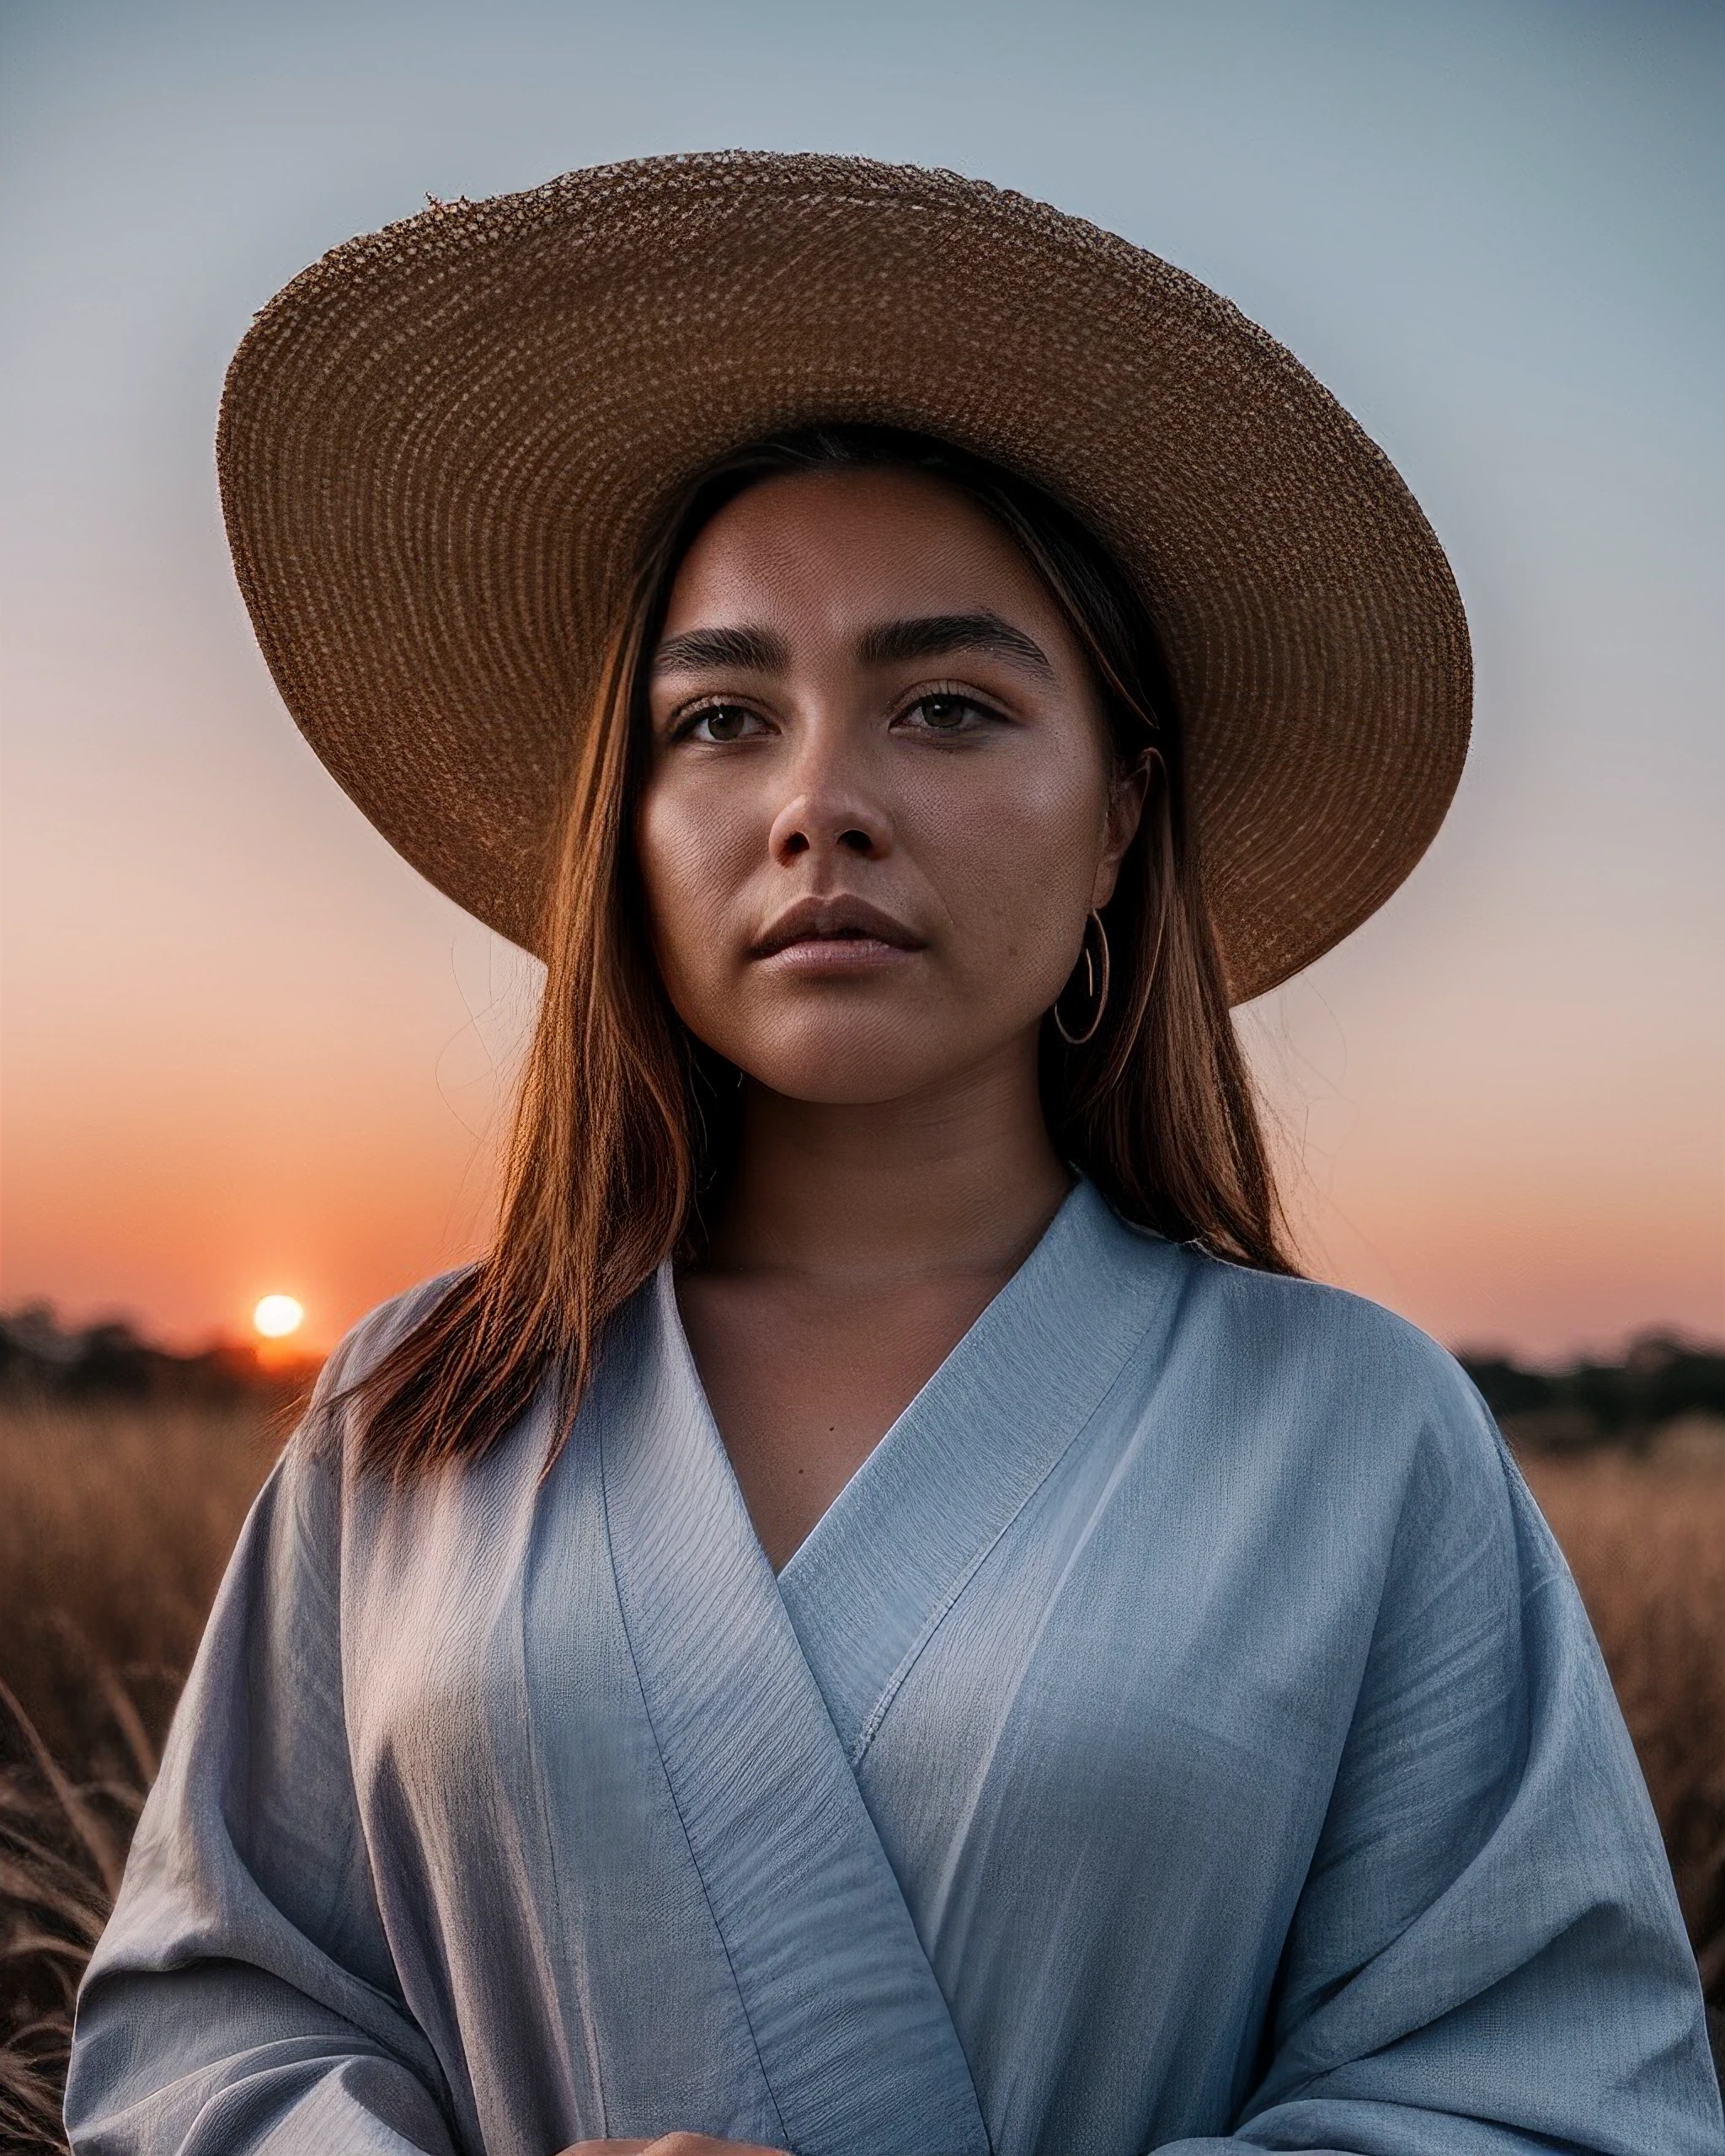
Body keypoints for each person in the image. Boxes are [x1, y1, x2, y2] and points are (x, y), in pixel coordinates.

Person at [65, 152, 1721, 2156]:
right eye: (717, 720)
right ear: (627, 825)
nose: (819, 802)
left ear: (1118, 814)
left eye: (942, 705)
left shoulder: (1355, 1434)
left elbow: (1544, 2100)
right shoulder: (411, 1408)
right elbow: (206, 2033)